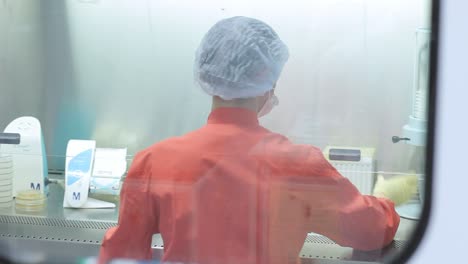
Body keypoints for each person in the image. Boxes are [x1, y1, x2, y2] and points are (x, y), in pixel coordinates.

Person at [98, 16, 413, 264]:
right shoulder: (297, 163)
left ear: (208, 77)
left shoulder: (154, 160)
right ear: (268, 83)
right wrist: (384, 200)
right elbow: (370, 231)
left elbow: (122, 254)